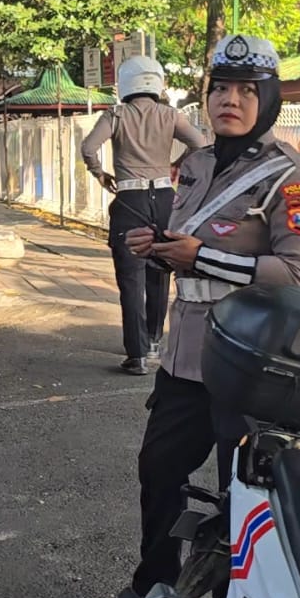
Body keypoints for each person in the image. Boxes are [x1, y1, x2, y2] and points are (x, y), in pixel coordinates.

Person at [90, 34, 300, 598]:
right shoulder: (193, 163)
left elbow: (297, 274)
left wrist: (200, 256)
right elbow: (190, 242)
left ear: (268, 100)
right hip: (185, 357)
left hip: (248, 364)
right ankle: (154, 593)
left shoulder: (290, 176)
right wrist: (161, 247)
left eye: (247, 91)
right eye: (220, 88)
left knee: (240, 493)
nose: (230, 101)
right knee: (159, 472)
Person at [82, 56, 210, 376]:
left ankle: (137, 354)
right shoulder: (170, 115)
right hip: (166, 198)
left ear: (125, 83)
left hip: (130, 198)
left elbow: (88, 147)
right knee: (160, 271)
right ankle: (154, 340)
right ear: (158, 82)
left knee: (130, 278)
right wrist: (178, 163)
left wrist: (100, 174)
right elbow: (201, 142)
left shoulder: (116, 114)